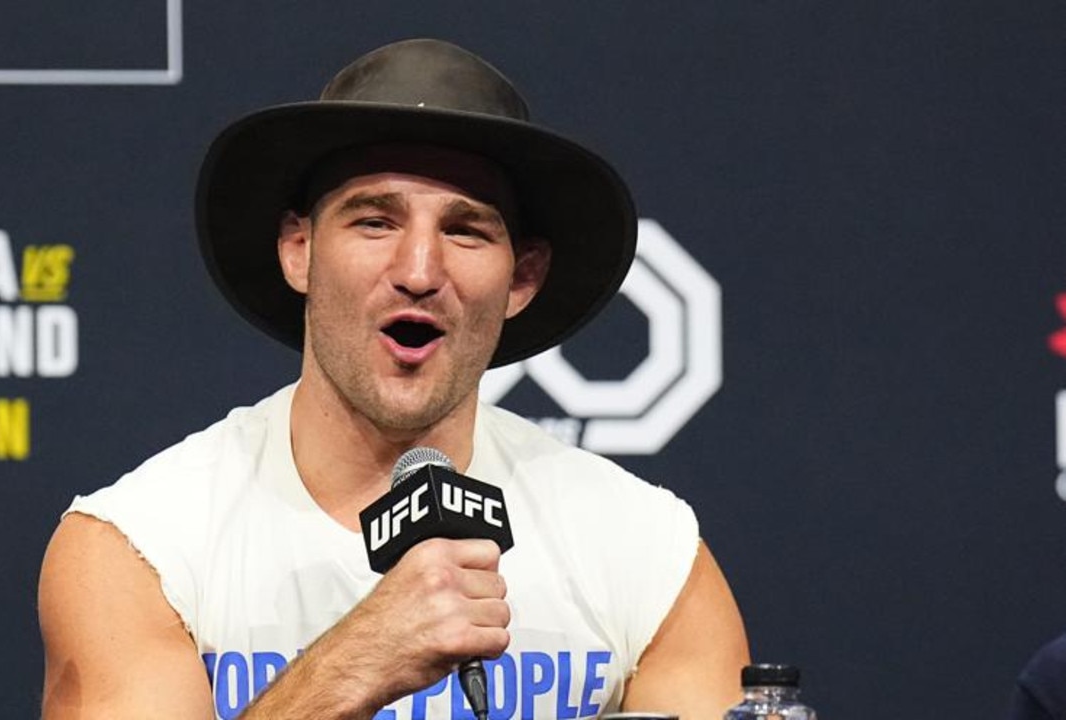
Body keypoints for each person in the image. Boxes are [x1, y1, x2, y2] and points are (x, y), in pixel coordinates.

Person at [38, 38, 749, 720]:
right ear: (299, 250)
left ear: (522, 280)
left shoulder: (647, 551)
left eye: (466, 230)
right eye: (375, 221)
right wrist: (353, 665)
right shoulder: (142, 547)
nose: (418, 272)